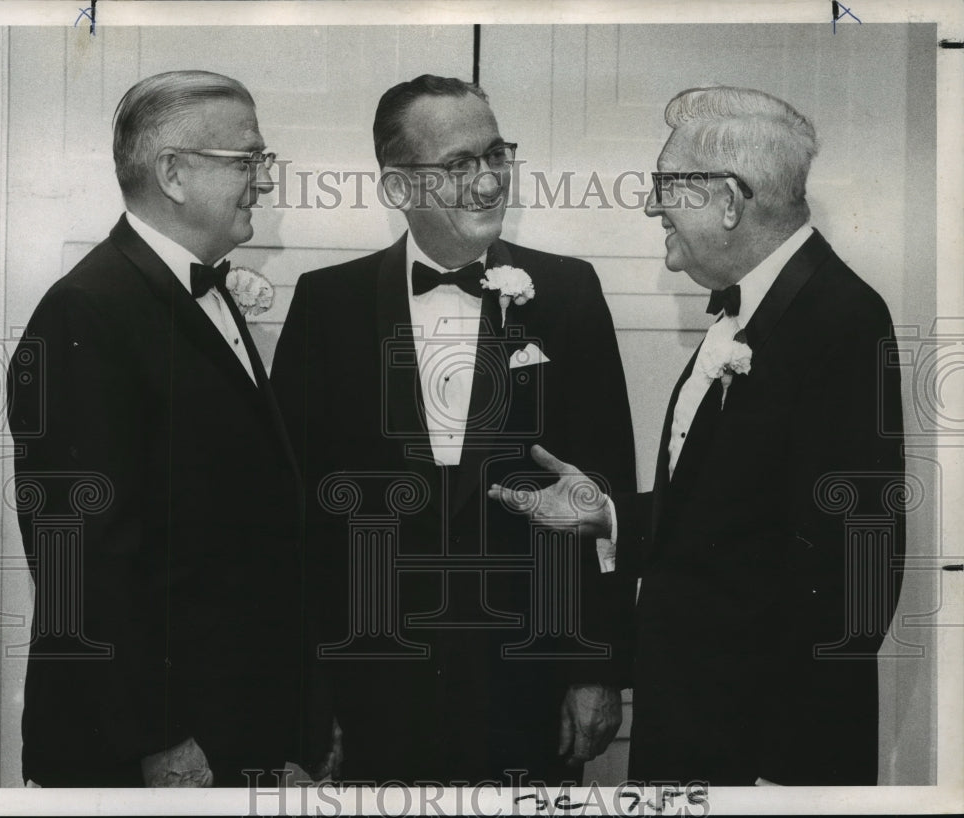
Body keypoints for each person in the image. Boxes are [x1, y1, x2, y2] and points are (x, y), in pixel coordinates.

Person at [490, 86, 905, 785]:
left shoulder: (841, 320)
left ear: (729, 200)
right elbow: (738, 516)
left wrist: (776, 779)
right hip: (699, 732)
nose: (651, 207)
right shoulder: (756, 310)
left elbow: (855, 582)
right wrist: (611, 512)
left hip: (761, 758)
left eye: (664, 185)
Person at [270, 74, 636, 785]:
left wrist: (598, 670)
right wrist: (308, 696)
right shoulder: (326, 305)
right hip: (370, 689)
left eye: (496, 155)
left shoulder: (569, 293)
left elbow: (602, 492)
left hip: (530, 688)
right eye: (459, 164)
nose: (489, 181)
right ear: (399, 187)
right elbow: (296, 522)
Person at [7, 70, 332, 787]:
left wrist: (303, 717)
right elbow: (79, 564)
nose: (264, 180)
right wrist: (155, 739)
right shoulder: (85, 313)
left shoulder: (204, 291)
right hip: (154, 748)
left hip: (231, 728)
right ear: (174, 173)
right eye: (248, 160)